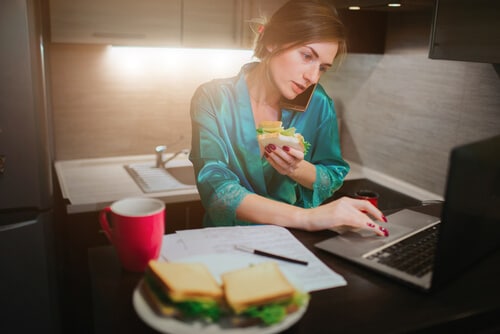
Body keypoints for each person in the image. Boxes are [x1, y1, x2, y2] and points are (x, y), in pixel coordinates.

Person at [189, 0, 389, 236]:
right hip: (227, 239)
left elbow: (332, 175)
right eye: (306, 56)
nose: (313, 77)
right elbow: (217, 189)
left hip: (293, 240)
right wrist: (307, 217)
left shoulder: (319, 103)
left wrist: (297, 168)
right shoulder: (212, 98)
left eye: (323, 67)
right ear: (273, 41)